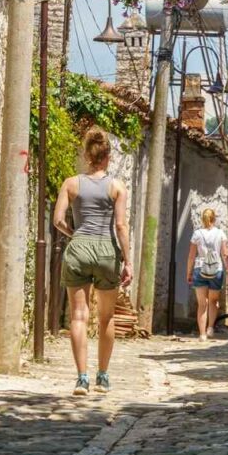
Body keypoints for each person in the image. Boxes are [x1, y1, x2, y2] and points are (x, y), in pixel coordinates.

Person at [53, 127, 132, 396]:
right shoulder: (116, 187)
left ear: (87, 155)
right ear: (108, 157)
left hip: (78, 249)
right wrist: (128, 261)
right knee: (106, 317)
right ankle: (103, 376)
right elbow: (120, 225)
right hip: (107, 250)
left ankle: (82, 379)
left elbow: (58, 220)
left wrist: (74, 235)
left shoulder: (71, 184)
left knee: (78, 316)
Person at [186, 208, 228, 341]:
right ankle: (210, 327)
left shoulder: (197, 234)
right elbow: (225, 254)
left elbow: (191, 256)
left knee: (202, 304)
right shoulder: (221, 234)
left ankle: (202, 334)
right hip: (216, 269)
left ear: (202, 219)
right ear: (214, 219)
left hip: (200, 268)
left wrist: (188, 272)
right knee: (213, 301)